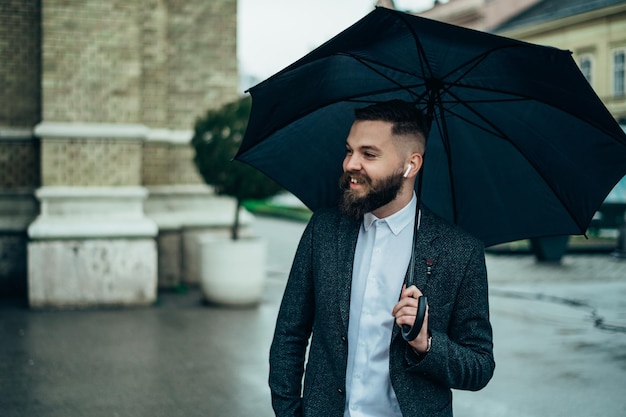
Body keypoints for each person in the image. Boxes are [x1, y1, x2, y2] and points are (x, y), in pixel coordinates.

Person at [269, 100, 495, 417]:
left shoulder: (459, 251)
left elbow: (480, 366)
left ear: (410, 165)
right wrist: (289, 411)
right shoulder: (324, 229)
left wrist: (425, 342)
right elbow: (289, 335)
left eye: (368, 154)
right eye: (350, 151)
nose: (350, 163)